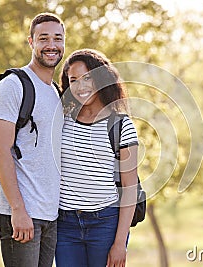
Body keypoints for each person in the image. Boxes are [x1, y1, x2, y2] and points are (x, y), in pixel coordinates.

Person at [0, 13, 65, 267]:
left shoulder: (56, 92)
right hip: (20, 213)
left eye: (57, 38)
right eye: (44, 38)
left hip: (49, 213)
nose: (51, 45)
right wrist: (18, 210)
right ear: (31, 42)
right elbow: (0, 150)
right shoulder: (13, 85)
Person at [55, 49, 139, 267]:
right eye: (73, 80)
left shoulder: (121, 126)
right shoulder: (62, 121)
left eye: (87, 78)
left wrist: (120, 243)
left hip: (106, 224)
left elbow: (130, 189)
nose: (80, 86)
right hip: (65, 226)